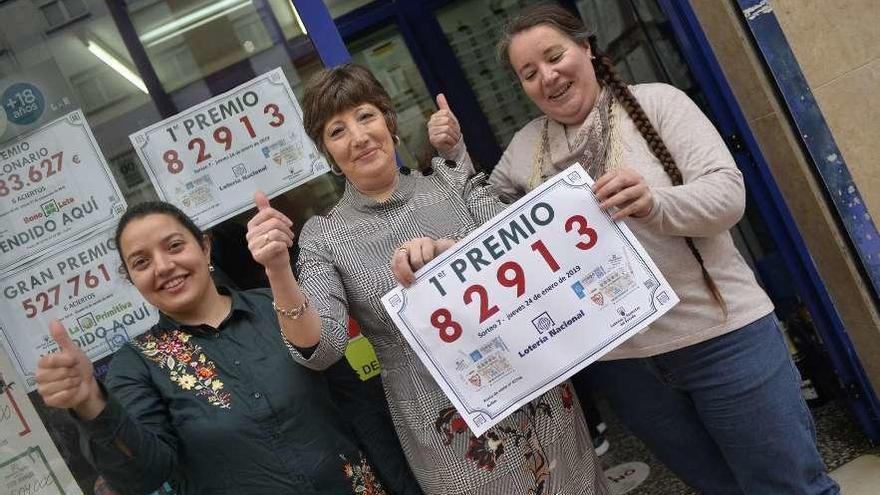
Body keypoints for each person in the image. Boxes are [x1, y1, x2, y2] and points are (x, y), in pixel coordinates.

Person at [427, 3, 839, 494]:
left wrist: (654, 202)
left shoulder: (657, 103)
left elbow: (729, 195)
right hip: (626, 369)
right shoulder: (525, 147)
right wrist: (455, 157)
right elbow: (486, 235)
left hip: (722, 338)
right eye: (529, 73)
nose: (548, 77)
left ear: (586, 47)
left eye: (555, 56)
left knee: (789, 487)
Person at [245, 63, 608, 495]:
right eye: (336, 131)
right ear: (328, 155)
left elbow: (530, 261)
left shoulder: (453, 183)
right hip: (448, 428)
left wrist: (453, 255)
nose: (358, 136)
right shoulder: (325, 237)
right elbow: (321, 349)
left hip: (536, 389)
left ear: (389, 123)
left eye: (365, 116)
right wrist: (278, 270)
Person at [35, 201, 419, 495]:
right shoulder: (137, 365)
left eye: (174, 246)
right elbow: (145, 473)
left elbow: (361, 410)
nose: (164, 266)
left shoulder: (280, 307)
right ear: (133, 280)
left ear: (204, 247)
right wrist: (92, 406)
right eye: (141, 262)